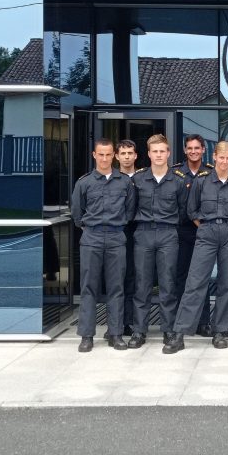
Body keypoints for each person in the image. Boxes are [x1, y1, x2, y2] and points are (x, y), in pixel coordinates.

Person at [164, 142, 228, 354]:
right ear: (214, 158)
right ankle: (180, 333)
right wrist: (208, 227)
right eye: (222, 158)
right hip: (207, 232)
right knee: (195, 282)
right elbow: (192, 211)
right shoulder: (201, 181)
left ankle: (220, 331)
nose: (225, 162)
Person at [71, 138, 137, 352]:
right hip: (92, 238)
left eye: (109, 154)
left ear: (114, 156)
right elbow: (77, 214)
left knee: (116, 287)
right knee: (89, 287)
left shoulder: (124, 182)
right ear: (94, 155)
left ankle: (116, 334)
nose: (105, 158)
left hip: (117, 237)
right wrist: (91, 228)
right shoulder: (84, 182)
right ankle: (87, 336)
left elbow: (129, 211)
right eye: (101, 154)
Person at [127, 135, 188, 348]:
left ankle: (169, 330)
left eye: (163, 151)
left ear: (169, 153)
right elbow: (130, 208)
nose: (159, 155)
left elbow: (183, 211)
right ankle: (139, 331)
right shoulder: (138, 179)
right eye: (155, 151)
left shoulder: (179, 180)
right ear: (149, 153)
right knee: (142, 284)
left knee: (167, 284)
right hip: (143, 233)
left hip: (168, 234)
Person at [173, 134, 213, 337]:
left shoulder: (211, 173)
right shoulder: (176, 173)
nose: (194, 151)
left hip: (204, 231)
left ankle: (203, 322)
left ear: (204, 150)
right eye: (190, 148)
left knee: (202, 278)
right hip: (182, 232)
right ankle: (182, 323)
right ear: (185, 150)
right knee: (181, 278)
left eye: (197, 148)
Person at [113, 139, 140, 338]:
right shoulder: (111, 178)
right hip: (117, 232)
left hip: (138, 232)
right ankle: (116, 323)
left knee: (134, 277)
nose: (127, 157)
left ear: (136, 155)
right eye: (123, 153)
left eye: (130, 153)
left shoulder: (142, 177)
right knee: (116, 279)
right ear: (117, 156)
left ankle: (130, 322)